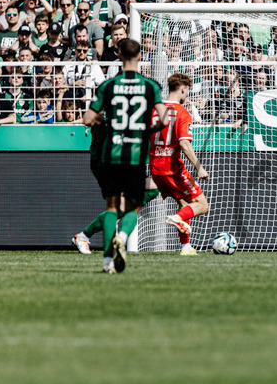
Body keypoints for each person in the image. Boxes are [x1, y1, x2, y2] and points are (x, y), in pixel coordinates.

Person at [82, 39, 167, 273]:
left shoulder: (108, 85)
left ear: (118, 55)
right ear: (140, 56)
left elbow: (87, 119)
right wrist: (144, 131)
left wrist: (103, 122)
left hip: (112, 152)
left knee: (111, 207)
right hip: (136, 155)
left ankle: (107, 261)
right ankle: (122, 235)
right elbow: (165, 119)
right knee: (132, 208)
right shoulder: (151, 86)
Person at [150, 73, 210, 256]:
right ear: (183, 89)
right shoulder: (183, 113)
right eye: (187, 91)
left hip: (155, 169)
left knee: (185, 204)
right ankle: (176, 219)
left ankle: (185, 247)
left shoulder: (154, 110)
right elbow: (184, 143)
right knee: (202, 205)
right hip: (173, 169)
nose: (187, 95)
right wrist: (199, 167)